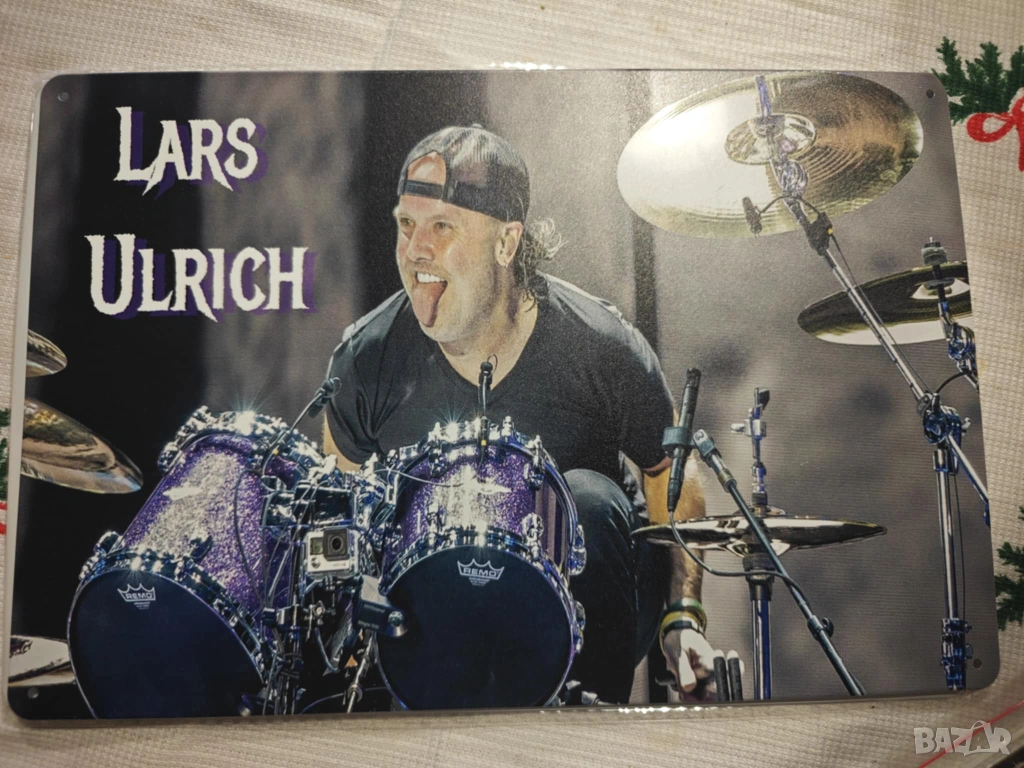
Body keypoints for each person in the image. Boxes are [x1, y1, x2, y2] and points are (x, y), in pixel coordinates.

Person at [322, 125, 716, 704]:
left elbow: (670, 477)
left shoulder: (601, 345)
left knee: (590, 500)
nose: (415, 249)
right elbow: (338, 502)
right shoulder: (368, 356)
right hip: (438, 614)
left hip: (591, 603)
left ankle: (592, 730)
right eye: (406, 224)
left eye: (442, 226)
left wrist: (683, 615)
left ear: (507, 243)